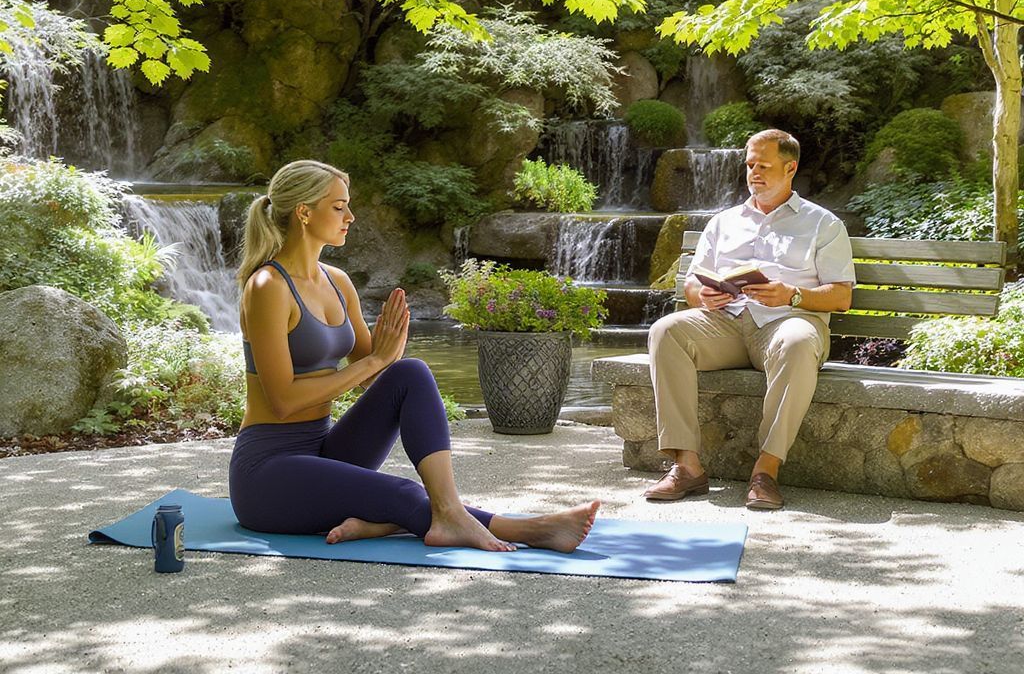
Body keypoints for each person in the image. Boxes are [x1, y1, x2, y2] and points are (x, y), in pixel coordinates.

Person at [229, 159, 599, 552]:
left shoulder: (337, 282)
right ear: (304, 212)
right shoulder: (268, 285)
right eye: (339, 207)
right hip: (267, 473)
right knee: (403, 492)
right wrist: (374, 362)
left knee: (411, 374)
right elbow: (283, 400)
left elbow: (374, 381)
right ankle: (525, 528)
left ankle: (416, 515)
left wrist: (388, 358)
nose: (350, 217)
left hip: (325, 452)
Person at [644, 129, 855, 511]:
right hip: (725, 324)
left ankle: (766, 471)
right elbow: (694, 280)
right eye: (750, 165)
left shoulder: (823, 224)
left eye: (764, 166)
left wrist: (793, 294)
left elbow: (841, 296)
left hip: (788, 321)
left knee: (797, 342)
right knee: (666, 331)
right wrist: (701, 294)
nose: (754, 172)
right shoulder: (723, 222)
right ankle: (686, 465)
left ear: (790, 168)